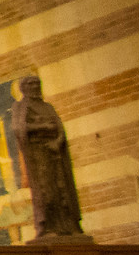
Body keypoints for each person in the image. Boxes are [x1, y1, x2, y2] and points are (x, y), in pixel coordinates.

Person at [8, 74, 85, 238]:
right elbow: (19, 128)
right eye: (31, 84)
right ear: (24, 88)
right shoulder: (21, 107)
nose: (35, 87)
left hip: (55, 153)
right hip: (38, 155)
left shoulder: (48, 107)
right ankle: (48, 227)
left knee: (63, 189)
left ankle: (69, 226)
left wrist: (57, 142)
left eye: (37, 84)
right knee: (46, 191)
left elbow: (59, 127)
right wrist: (43, 125)